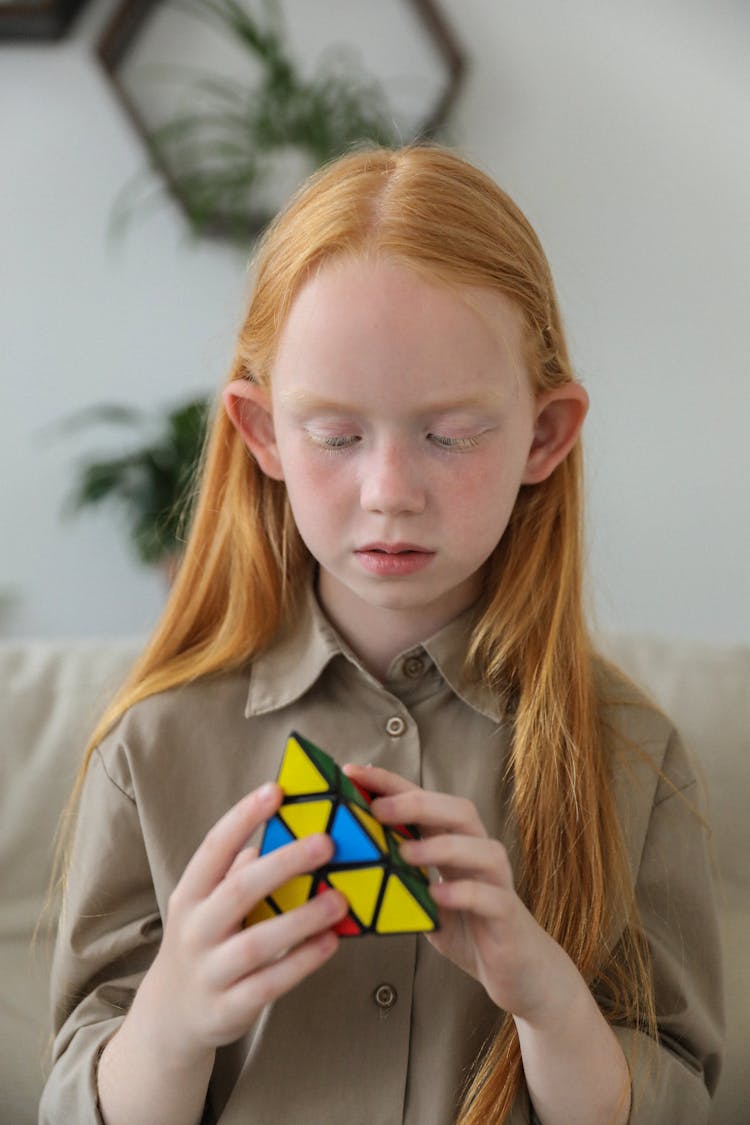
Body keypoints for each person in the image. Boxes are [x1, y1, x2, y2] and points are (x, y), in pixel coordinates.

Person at [40, 145, 723, 1125]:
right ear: (261, 432)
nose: (390, 492)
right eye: (335, 436)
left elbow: (681, 1098)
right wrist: (175, 1017)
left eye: (449, 434)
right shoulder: (149, 749)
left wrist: (545, 996)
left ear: (545, 435)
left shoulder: (634, 756)